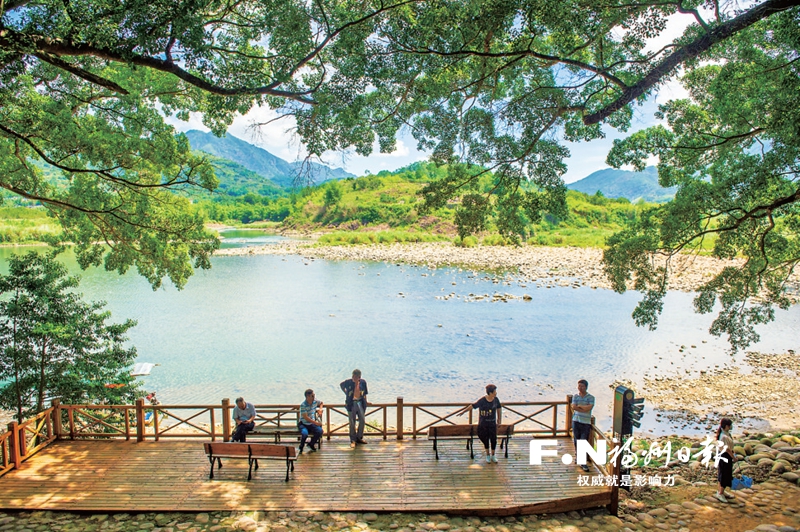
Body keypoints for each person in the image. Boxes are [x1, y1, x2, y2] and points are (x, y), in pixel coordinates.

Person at [459, 384, 502, 463]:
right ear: (490, 393)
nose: (496, 393)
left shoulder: (496, 400)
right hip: (483, 424)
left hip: (492, 424)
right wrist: (463, 412)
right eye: (495, 391)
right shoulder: (482, 400)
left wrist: (499, 419)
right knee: (485, 439)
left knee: (493, 440)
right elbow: (473, 406)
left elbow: (499, 408)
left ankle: (493, 455)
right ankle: (488, 455)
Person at [340, 369, 369, 448]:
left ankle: (359, 438)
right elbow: (341, 385)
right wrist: (346, 393)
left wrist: (366, 402)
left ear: (359, 377)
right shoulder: (349, 382)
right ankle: (353, 440)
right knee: (352, 422)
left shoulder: (363, 382)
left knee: (362, 420)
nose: (353, 378)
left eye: (355, 376)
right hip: (351, 403)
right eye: (353, 376)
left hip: (360, 402)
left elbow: (365, 393)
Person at [571, 379, 595, 472]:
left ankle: (583, 462)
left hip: (586, 422)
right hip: (576, 421)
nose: (580, 388)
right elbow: (573, 407)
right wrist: (583, 408)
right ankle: (579, 458)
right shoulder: (575, 396)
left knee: (583, 441)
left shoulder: (591, 397)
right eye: (579, 386)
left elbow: (589, 408)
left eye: (582, 386)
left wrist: (579, 407)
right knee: (577, 440)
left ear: (586, 387)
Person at [715, 417, 736, 503]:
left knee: (722, 474)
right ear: (727, 426)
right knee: (724, 475)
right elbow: (727, 449)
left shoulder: (725, 433)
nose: (731, 427)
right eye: (730, 425)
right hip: (725, 456)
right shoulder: (723, 436)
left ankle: (721, 491)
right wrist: (733, 457)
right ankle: (720, 493)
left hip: (724, 455)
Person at [299, 389, 324, 453]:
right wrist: (316, 423)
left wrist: (320, 409)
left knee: (320, 431)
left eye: (314, 396)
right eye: (312, 396)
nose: (314, 397)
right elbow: (306, 417)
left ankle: (311, 444)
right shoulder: (303, 405)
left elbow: (321, 403)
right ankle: (301, 447)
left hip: (311, 423)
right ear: (307, 396)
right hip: (303, 423)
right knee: (305, 434)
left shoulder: (315, 401)